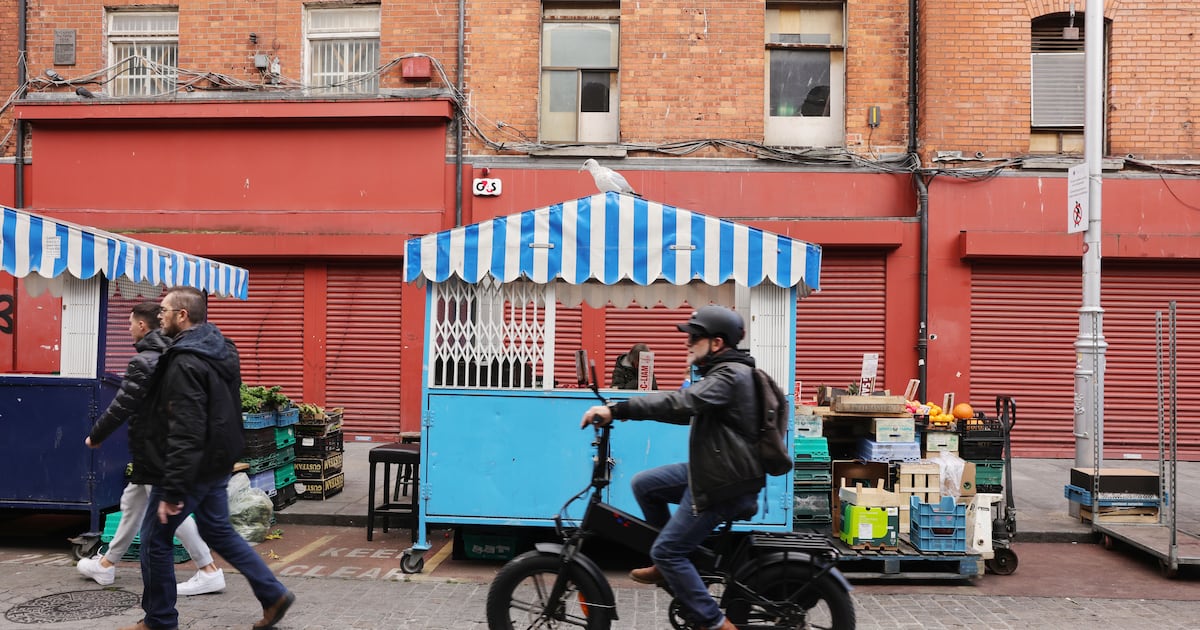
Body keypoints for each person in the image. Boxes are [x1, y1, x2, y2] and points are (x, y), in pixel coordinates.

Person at [581, 305, 764, 630]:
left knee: (667, 550)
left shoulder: (729, 377)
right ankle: (671, 565)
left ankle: (715, 621)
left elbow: (681, 403)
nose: (687, 342)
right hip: (718, 471)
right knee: (644, 485)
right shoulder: (722, 375)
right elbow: (684, 410)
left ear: (717, 343)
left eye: (695, 336)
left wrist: (617, 410)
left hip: (725, 483)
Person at [123, 287, 294, 630]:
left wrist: (172, 490)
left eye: (166, 311)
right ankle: (273, 594)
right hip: (219, 459)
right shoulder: (220, 348)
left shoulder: (185, 361)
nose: (161, 316)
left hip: (194, 466)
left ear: (182, 315)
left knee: (155, 540)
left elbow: (186, 427)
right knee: (218, 531)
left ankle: (159, 619)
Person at [77, 301, 225, 596]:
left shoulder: (145, 360)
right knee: (132, 504)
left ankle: (207, 568)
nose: (129, 328)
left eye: (131, 323)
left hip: (155, 450)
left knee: (166, 511)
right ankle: (107, 564)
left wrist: (96, 435)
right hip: (161, 448)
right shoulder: (173, 353)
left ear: (142, 326)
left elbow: (123, 404)